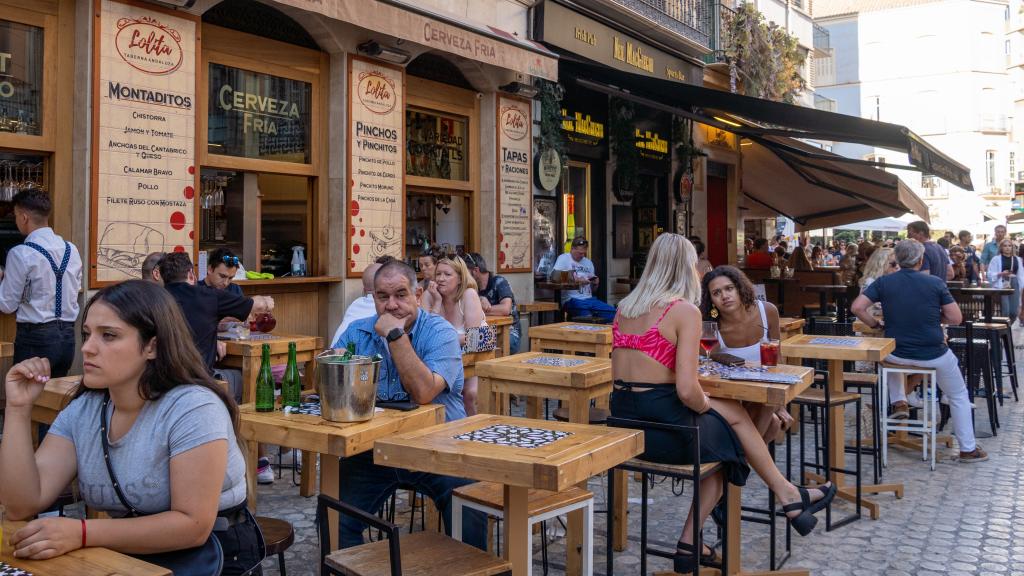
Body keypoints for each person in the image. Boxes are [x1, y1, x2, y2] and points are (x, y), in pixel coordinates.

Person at [0, 280, 263, 574]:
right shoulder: (84, 410)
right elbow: (21, 504)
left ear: (152, 346)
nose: (87, 348)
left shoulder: (192, 407)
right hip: (128, 554)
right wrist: (18, 409)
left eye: (109, 336)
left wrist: (82, 532)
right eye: (87, 334)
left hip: (214, 555)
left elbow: (193, 526)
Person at [609, 234, 835, 573]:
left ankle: (693, 544)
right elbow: (687, 390)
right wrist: (707, 405)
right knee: (732, 439)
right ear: (686, 268)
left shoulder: (624, 308)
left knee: (732, 432)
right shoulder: (682, 310)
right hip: (664, 425)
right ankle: (786, 498)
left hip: (625, 419)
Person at [331, 260, 485, 550]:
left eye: (400, 295)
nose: (391, 305)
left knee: (469, 505)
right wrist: (334, 368)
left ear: (417, 296)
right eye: (382, 297)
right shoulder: (357, 331)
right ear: (372, 297)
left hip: (440, 445)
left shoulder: (440, 333)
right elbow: (328, 389)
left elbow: (424, 392)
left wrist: (394, 335)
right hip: (374, 449)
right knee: (333, 516)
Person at [851, 239, 986, 463]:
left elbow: (857, 307)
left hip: (897, 353)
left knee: (888, 354)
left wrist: (875, 325)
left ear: (898, 260)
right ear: (921, 260)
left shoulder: (884, 282)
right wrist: (935, 317)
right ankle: (968, 449)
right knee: (958, 395)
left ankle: (899, 400)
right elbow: (955, 318)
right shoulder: (934, 283)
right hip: (934, 354)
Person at [701, 265, 793, 443]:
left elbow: (777, 362)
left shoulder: (767, 311)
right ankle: (741, 460)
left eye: (729, 288)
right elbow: (710, 367)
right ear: (711, 300)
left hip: (762, 393)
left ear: (739, 288)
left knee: (771, 413)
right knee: (771, 420)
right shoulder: (710, 326)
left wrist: (780, 405)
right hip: (732, 395)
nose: (725, 296)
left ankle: (737, 461)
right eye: (716, 293)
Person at [0, 189, 83, 378]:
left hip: (34, 338)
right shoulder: (72, 250)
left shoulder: (21, 253)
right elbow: (74, 287)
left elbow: (6, 304)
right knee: (53, 399)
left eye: (15, 216)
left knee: (26, 398)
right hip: (67, 338)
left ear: (24, 217)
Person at [158, 252, 274, 372]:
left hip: (161, 376)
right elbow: (258, 305)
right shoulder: (208, 295)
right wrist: (266, 300)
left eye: (230, 278)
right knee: (247, 375)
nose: (226, 282)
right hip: (197, 378)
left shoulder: (154, 298)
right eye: (222, 276)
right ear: (191, 274)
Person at [428, 256, 489, 415]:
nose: (441, 279)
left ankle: (473, 432)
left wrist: (445, 341)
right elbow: (427, 333)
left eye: (447, 275)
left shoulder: (468, 295)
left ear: (460, 279)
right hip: (446, 357)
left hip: (474, 358)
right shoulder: (430, 295)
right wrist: (436, 303)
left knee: (469, 394)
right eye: (438, 274)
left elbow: (474, 338)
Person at [332, 256, 394, 347]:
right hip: (350, 357)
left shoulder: (355, 304)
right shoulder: (385, 308)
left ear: (364, 290)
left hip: (335, 354)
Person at [465, 252, 520, 354]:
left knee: (477, 345)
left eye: (466, 274)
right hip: (485, 331)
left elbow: (505, 309)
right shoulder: (471, 288)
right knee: (468, 344)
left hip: (509, 333)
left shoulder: (499, 281)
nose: (464, 277)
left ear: (476, 271)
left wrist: (479, 309)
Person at [551, 236, 615, 323]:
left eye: (584, 253)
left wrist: (595, 284)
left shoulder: (588, 262)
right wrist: (574, 279)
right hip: (572, 299)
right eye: (580, 253)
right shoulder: (564, 258)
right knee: (588, 318)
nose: (582, 256)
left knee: (613, 313)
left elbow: (593, 290)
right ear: (572, 249)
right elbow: (554, 276)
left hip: (589, 299)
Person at [987, 238, 1024, 319]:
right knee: (1006, 310)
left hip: (1014, 283)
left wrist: (1022, 287)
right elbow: (989, 274)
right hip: (1002, 283)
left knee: (1014, 312)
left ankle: (1008, 327)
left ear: (1012, 247)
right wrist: (1001, 274)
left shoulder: (1017, 259)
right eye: (1005, 246)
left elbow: (1021, 275)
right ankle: (1005, 330)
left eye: (1010, 246)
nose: (1007, 248)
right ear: (1001, 247)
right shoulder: (996, 259)